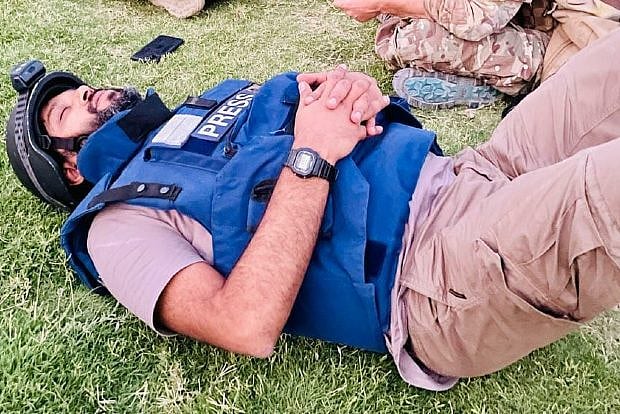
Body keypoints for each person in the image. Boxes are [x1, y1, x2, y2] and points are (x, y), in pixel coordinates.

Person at [5, 29, 620, 391]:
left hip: (472, 171)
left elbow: (326, 109)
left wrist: (354, 93)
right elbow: (242, 325)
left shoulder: (201, 115)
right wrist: (313, 153)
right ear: (70, 168)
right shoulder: (117, 226)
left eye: (75, 87)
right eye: (65, 110)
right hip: (435, 279)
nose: (84, 93)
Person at [334, 0, 620, 109]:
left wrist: (385, 4)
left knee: (412, 40)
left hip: (562, 46)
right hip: (527, 18)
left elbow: (476, 19)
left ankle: (495, 87)